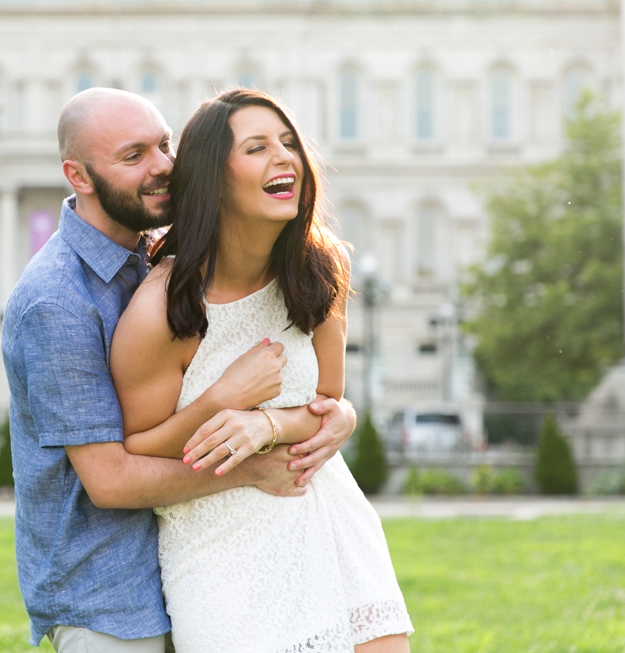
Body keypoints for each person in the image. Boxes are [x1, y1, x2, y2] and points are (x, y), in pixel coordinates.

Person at [1, 87, 358, 653]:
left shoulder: (163, 259)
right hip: (109, 595)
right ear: (79, 176)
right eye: (133, 156)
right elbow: (110, 480)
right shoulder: (56, 301)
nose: (164, 166)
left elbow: (316, 383)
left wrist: (337, 414)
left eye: (164, 145)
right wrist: (247, 462)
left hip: (203, 563)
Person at [110, 89, 414, 653]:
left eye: (289, 143)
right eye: (257, 148)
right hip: (218, 553)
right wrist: (221, 401)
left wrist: (267, 425)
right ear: (214, 179)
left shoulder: (322, 269)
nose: (285, 158)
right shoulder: (162, 309)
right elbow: (137, 448)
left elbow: (327, 407)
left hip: (326, 521)